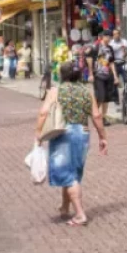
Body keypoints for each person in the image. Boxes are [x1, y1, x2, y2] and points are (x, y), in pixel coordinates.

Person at [35, 61, 107, 227]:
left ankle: (80, 214)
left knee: (68, 175)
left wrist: (38, 134)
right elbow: (96, 115)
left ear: (61, 75)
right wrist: (103, 137)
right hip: (82, 133)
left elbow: (44, 112)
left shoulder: (56, 91)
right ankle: (65, 207)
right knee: (73, 171)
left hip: (63, 134)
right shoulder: (86, 91)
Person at [88, 31, 119, 119]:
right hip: (98, 75)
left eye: (110, 37)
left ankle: (103, 117)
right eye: (107, 36)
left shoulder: (110, 48)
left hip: (108, 75)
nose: (109, 38)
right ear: (103, 37)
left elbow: (111, 62)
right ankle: (95, 114)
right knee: (100, 96)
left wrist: (115, 76)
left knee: (106, 98)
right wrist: (90, 74)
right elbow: (89, 59)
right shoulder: (95, 47)